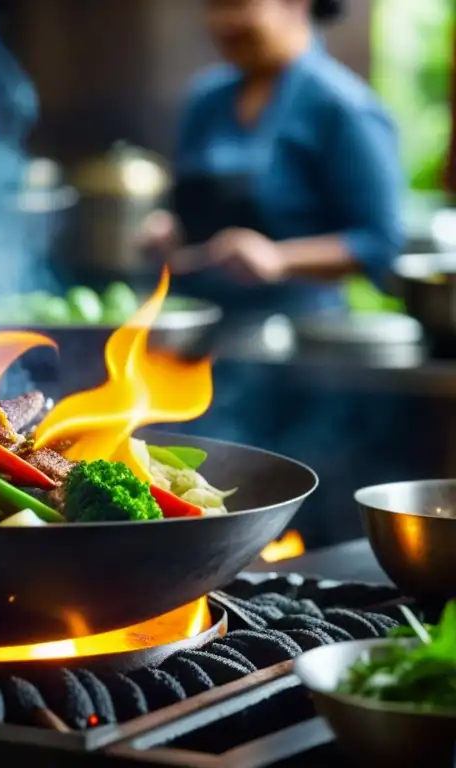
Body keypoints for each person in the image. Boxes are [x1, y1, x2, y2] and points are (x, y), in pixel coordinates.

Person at [141, 0, 421, 548]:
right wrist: (169, 229)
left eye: (238, 5)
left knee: (279, 515)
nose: (222, 23)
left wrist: (279, 258)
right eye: (213, 7)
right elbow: (194, 208)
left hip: (299, 358)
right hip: (204, 350)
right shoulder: (207, 99)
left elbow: (381, 242)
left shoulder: (342, 107)